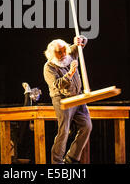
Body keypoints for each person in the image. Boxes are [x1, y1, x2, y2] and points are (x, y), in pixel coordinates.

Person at [43, 36, 92, 164]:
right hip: (62, 99)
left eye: (64, 49)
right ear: (52, 54)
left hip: (77, 97)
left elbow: (83, 42)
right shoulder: (49, 67)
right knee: (64, 131)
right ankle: (57, 162)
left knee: (87, 126)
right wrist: (70, 73)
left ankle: (72, 158)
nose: (64, 54)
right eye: (59, 52)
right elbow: (57, 84)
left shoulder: (70, 53)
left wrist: (80, 40)